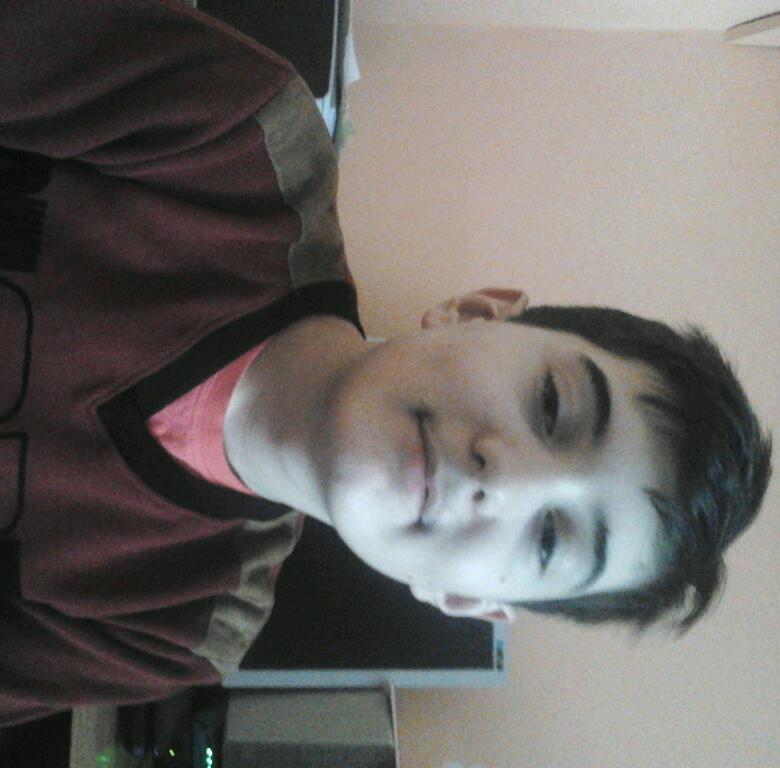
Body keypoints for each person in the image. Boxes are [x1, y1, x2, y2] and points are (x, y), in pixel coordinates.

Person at [0, 0, 771, 727]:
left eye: (547, 541)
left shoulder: (174, 627)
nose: (502, 480)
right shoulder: (240, 141)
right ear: (477, 311)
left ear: (461, 599)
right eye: (551, 405)